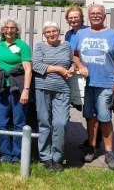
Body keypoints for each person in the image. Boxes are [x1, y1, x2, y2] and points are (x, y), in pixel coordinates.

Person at [72, 4, 114, 170]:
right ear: (88, 16)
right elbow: (75, 55)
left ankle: (109, 152)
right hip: (86, 84)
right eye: (92, 14)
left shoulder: (113, 34)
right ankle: (92, 147)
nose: (95, 16)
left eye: (98, 13)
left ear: (104, 16)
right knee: (90, 116)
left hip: (105, 83)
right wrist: (80, 65)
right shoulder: (81, 33)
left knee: (104, 117)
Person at [33, 21, 74, 171]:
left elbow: (72, 62)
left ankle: (57, 157)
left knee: (60, 123)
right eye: (48, 32)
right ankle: (45, 157)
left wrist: (72, 68)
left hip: (62, 88)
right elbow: (36, 65)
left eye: (54, 31)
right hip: (43, 88)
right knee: (44, 122)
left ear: (59, 32)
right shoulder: (40, 46)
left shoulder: (66, 46)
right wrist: (59, 70)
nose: (51, 34)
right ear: (44, 34)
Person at [0, 16, 32, 163]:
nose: (9, 30)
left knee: (19, 122)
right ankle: (5, 155)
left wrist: (26, 90)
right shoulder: (0, 45)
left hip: (19, 88)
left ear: (17, 30)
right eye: (6, 28)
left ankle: (17, 156)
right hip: (3, 89)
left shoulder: (22, 45)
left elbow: (28, 70)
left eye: (12, 28)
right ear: (2, 31)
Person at [64, 6, 102, 149]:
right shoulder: (68, 35)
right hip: (76, 74)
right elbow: (69, 53)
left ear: (81, 18)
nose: (73, 20)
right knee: (86, 110)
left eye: (76, 17)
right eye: (70, 17)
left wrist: (79, 65)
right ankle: (91, 140)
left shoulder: (88, 31)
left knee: (95, 110)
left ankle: (95, 142)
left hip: (89, 72)